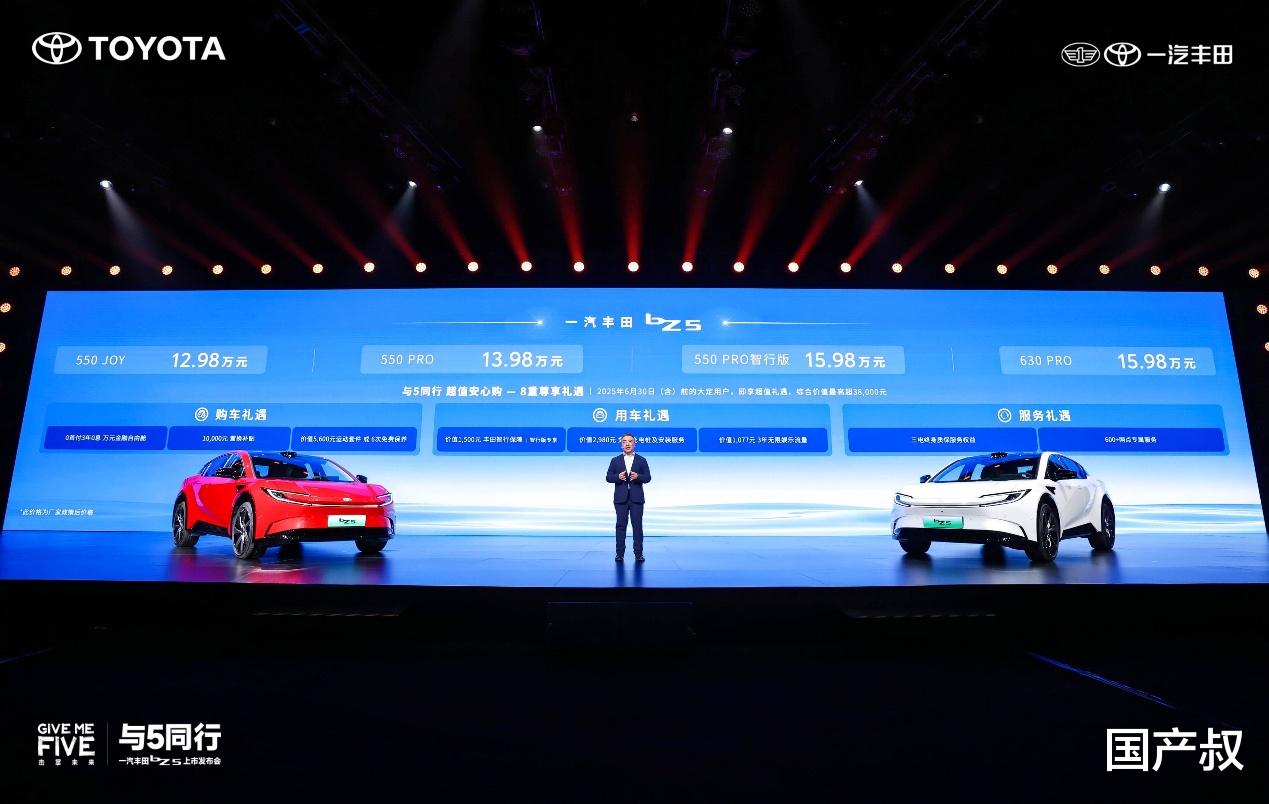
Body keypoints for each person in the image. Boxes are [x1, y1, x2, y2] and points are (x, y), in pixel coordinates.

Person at [605, 432, 651, 562]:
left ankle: (638, 554)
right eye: (624, 441)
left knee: (637, 526)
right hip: (621, 499)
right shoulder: (615, 460)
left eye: (630, 441)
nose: (627, 444)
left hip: (637, 499)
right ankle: (619, 554)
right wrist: (617, 477)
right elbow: (608, 477)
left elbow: (648, 477)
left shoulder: (642, 460)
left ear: (634, 444)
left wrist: (639, 477)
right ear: (621, 445)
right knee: (620, 526)